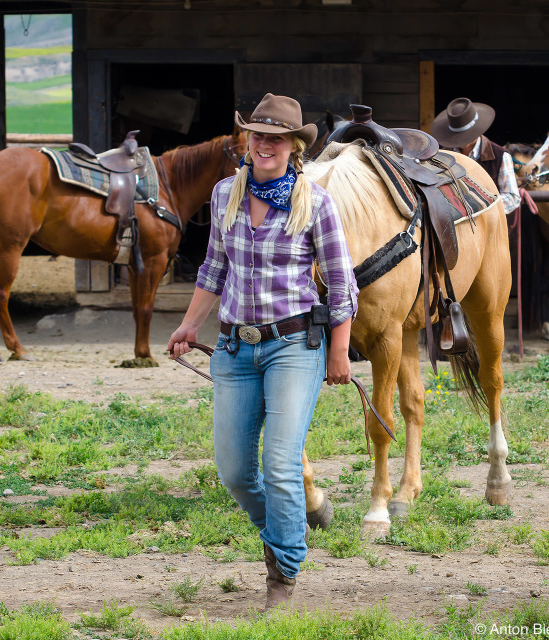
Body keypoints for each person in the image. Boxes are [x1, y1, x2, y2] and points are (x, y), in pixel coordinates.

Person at [167, 93, 358, 610]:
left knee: (279, 464)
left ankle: (283, 573)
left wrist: (339, 352)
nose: (264, 145)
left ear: (294, 147)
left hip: (293, 346)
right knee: (232, 470)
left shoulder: (313, 201)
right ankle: (286, 524)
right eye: (256, 135)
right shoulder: (225, 193)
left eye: (275, 138)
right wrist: (188, 326)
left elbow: (341, 284)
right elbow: (213, 268)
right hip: (233, 348)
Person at [431, 97, 521, 215]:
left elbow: (512, 197)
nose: (463, 140)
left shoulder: (500, 156)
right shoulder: (442, 157)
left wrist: (481, 208)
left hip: (490, 224)